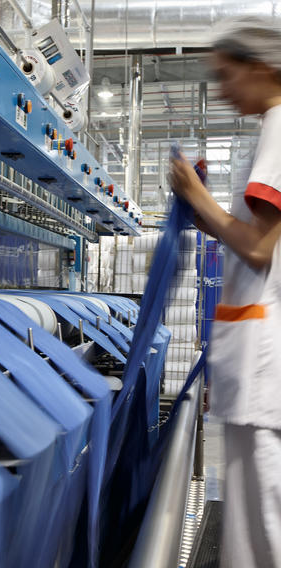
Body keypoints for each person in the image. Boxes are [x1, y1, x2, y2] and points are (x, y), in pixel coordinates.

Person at [170, 16, 281, 568]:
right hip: (253, 369)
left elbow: (259, 247)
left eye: (227, 74)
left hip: (265, 372)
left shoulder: (280, 128)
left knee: (265, 531)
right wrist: (205, 210)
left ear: (260, 68)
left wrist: (198, 198)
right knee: (252, 527)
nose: (222, 90)